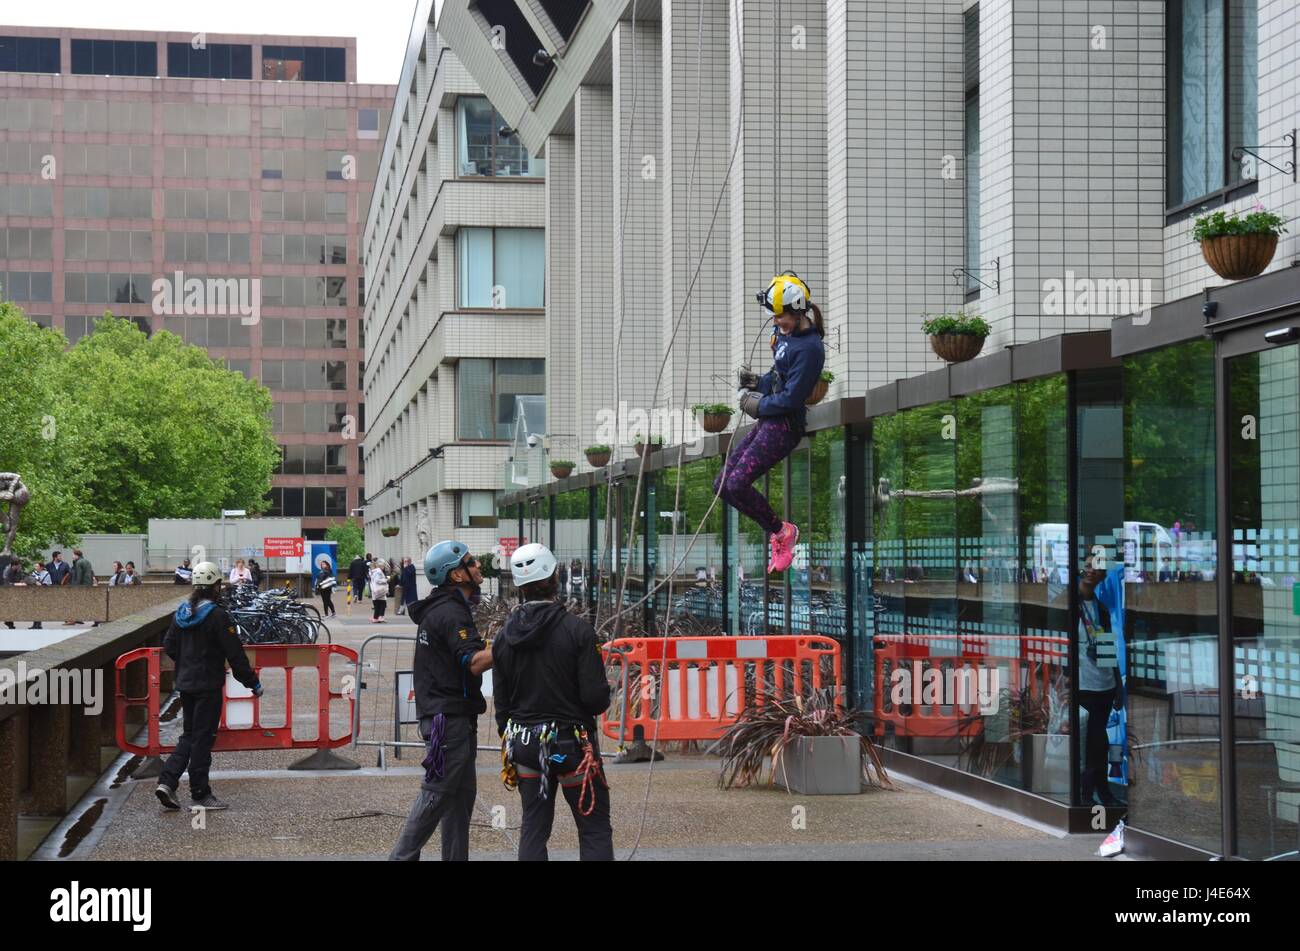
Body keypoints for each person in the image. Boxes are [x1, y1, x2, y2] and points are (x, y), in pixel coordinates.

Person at [494, 543, 613, 861]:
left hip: (526, 745)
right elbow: (594, 699)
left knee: (533, 825)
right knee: (593, 827)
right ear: (554, 576)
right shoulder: (578, 631)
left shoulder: (504, 637)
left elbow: (502, 707)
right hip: (569, 744)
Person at [389, 540, 492, 861]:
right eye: (471, 562)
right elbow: (474, 661)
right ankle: (401, 857)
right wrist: (510, 643)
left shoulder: (444, 608)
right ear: (457, 575)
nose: (478, 567)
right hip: (448, 720)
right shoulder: (449, 613)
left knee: (460, 799)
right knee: (437, 793)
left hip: (452, 716)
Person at [724, 271, 826, 574]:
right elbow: (777, 377)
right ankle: (777, 531)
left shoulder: (809, 349)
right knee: (723, 485)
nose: (776, 322)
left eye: (781, 316)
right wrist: (758, 382)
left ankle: (781, 532)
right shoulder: (788, 337)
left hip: (784, 427)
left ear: (797, 311)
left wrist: (758, 406)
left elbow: (793, 398)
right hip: (770, 422)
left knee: (737, 483)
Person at [155, 561, 263, 812]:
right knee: (202, 739)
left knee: (190, 735)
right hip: (208, 685)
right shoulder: (217, 615)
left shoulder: (182, 613)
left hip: (186, 683)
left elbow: (169, 646)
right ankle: (200, 793)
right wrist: (253, 683)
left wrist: (186, 664)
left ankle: (167, 781)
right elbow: (235, 655)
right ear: (215, 586)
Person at [1077, 561, 1126, 808]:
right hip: (1081, 685)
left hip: (1103, 685)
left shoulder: (1102, 609)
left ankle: (1102, 791)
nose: (1090, 571)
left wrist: (1117, 683)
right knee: (1088, 742)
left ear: (1103, 576)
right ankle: (1086, 793)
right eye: (1087, 565)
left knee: (1099, 742)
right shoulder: (1069, 605)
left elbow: (1108, 649)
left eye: (1096, 568)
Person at [70, 548, 96, 626]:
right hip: (88, 584)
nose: (72, 556)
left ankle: (76, 618)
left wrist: (76, 586)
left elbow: (79, 575)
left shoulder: (79, 563)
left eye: (73, 555)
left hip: (81, 585)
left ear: (76, 555)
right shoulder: (87, 561)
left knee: (77, 602)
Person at [27, 559, 50, 629]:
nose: (35, 567)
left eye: (37, 566)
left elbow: (47, 584)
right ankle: (35, 624)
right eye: (35, 566)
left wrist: (41, 585)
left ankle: (39, 624)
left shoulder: (46, 574)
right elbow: (29, 580)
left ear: (41, 567)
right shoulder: (33, 573)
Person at [369, 558, 390, 623]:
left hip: (375, 591)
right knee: (382, 604)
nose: (384, 567)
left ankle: (376, 618)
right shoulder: (378, 572)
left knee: (377, 605)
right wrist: (386, 580)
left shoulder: (374, 572)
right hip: (380, 590)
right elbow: (378, 581)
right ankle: (380, 617)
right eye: (383, 566)